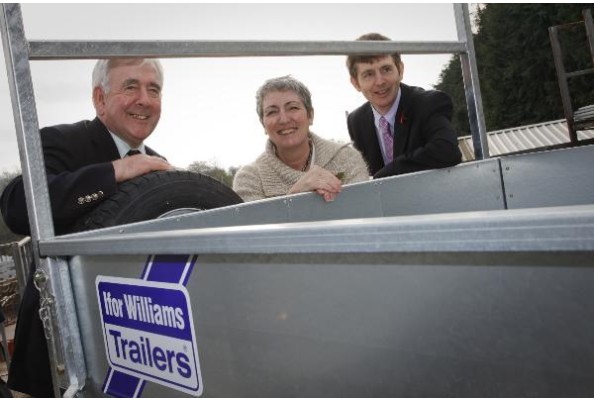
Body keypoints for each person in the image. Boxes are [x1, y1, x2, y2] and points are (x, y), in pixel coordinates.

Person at [0, 58, 172, 397]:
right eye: (131, 86)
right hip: (59, 359)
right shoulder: (62, 141)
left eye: (154, 89)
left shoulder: (160, 164)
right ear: (100, 99)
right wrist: (115, 172)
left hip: (136, 347)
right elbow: (17, 206)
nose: (145, 99)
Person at [233, 75, 369, 202]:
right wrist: (295, 196)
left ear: (310, 115)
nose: (284, 119)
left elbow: (365, 214)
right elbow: (256, 227)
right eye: (272, 112)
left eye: (293, 108)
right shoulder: (249, 179)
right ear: (263, 123)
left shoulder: (347, 159)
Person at [346, 33, 462, 178]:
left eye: (386, 69)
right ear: (356, 83)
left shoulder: (428, 103)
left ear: (400, 70)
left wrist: (388, 173)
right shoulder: (356, 121)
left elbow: (447, 150)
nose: (380, 81)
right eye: (368, 74)